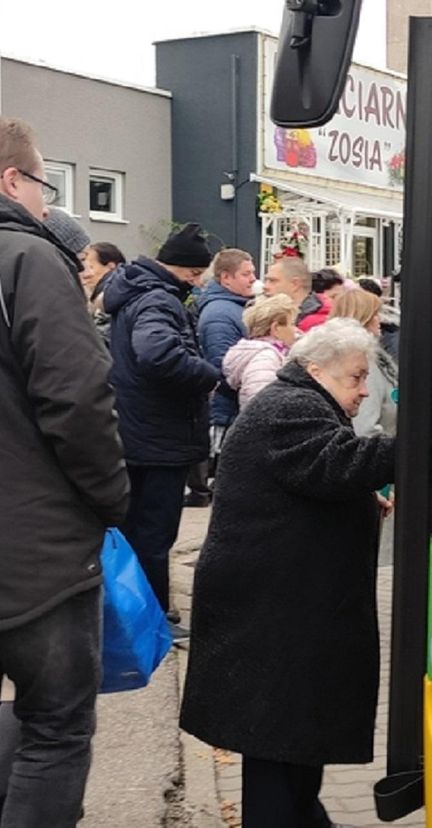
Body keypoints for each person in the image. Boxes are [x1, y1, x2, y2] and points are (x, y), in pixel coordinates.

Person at [180, 318, 395, 828]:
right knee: (277, 748)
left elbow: (314, 480)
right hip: (271, 615)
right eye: (356, 379)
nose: (364, 392)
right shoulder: (292, 407)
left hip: (280, 608)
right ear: (315, 368)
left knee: (292, 745)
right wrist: (419, 442)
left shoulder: (299, 401)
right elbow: (335, 464)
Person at [0, 116, 129, 826]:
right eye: (46, 186)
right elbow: (77, 401)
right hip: (35, 556)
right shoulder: (28, 259)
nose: (49, 205)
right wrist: (113, 502)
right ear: (12, 181)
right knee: (55, 728)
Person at [102, 222, 221, 635]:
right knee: (153, 534)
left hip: (136, 432)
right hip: (159, 438)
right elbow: (155, 354)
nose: (199, 282)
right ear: (188, 271)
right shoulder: (158, 299)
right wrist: (208, 375)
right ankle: (152, 622)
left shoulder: (134, 292)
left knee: (135, 530)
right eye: (198, 275)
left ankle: (137, 615)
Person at [186, 248, 257, 507]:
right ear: (225, 278)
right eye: (246, 274)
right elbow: (223, 368)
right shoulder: (220, 314)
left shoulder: (234, 307)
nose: (253, 279)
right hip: (227, 411)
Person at [330, 290, 398, 437]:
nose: (379, 320)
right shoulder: (364, 364)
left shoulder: (375, 359)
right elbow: (364, 428)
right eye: (375, 314)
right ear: (363, 317)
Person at [223, 294, 298, 408]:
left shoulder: (269, 354)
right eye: (292, 324)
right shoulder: (265, 359)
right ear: (276, 328)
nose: (295, 330)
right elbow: (262, 405)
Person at [263, 255, 331, 331]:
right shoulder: (267, 316)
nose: (265, 286)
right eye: (266, 280)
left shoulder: (318, 326)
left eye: (273, 281)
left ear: (295, 284)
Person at [80, 242, 126, 345]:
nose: (86, 274)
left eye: (91, 267)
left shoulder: (111, 299)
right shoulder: (120, 292)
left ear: (111, 267)